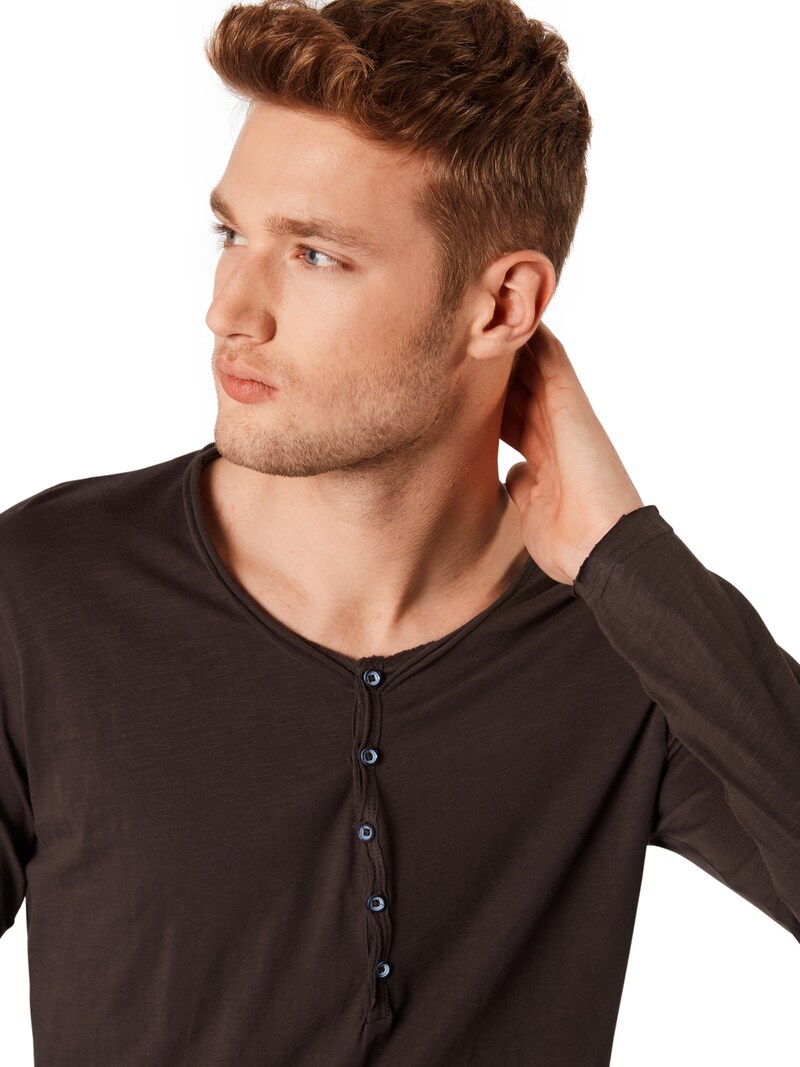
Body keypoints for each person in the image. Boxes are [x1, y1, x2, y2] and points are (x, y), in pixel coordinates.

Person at [0, 0, 797, 1064]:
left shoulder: (626, 647)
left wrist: (622, 552)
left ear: (502, 306)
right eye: (232, 234)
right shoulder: (44, 593)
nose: (230, 311)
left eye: (314, 254)